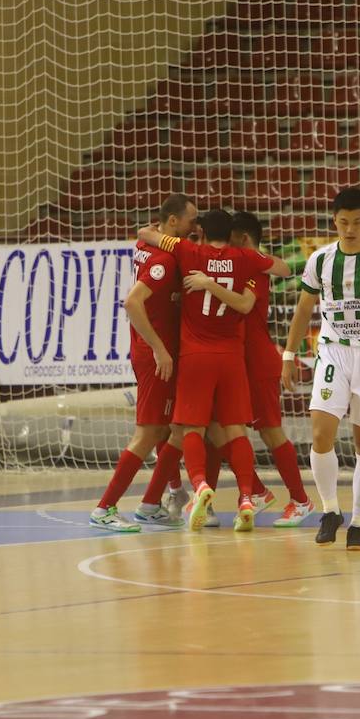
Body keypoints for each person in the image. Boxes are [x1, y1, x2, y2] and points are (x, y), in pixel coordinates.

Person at [137, 209, 292, 532]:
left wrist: (162, 230)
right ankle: (248, 496)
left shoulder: (189, 251)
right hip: (232, 359)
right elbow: (284, 268)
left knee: (190, 429)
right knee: (236, 430)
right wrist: (252, 254)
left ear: (203, 233)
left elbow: (145, 235)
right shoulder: (244, 257)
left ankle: (200, 487)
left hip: (196, 357)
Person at [280, 186, 360, 551]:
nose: (350, 229)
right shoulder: (320, 260)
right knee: (321, 434)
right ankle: (330, 510)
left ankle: (359, 524)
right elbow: (303, 310)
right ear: (335, 220)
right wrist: (288, 355)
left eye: (357, 222)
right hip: (333, 352)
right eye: (344, 222)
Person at [185, 210, 314, 527]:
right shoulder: (242, 262)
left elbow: (268, 281)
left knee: (269, 432)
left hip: (256, 361)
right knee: (216, 427)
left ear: (242, 239)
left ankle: (300, 500)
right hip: (235, 359)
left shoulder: (252, 266)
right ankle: (233, 496)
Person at [89, 193, 199, 533]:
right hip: (154, 356)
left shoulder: (151, 239)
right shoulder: (163, 261)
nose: (195, 227)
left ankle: (156, 502)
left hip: (151, 350)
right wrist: (160, 349)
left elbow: (143, 232)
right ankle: (104, 508)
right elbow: (132, 303)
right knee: (148, 433)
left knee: (167, 428)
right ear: (171, 222)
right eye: (190, 221)